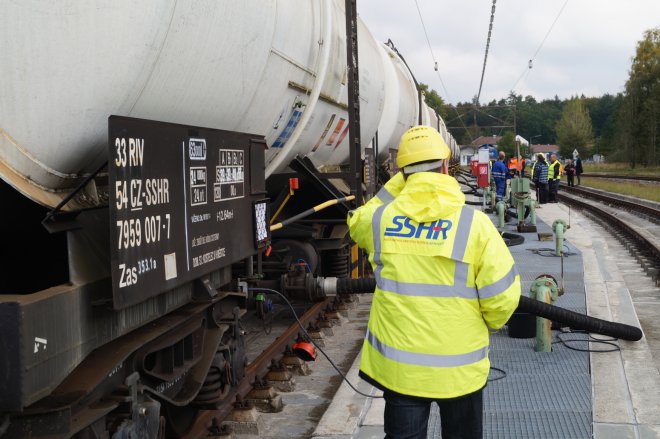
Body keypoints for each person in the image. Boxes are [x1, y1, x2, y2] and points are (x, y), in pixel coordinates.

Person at [347, 126, 521, 439]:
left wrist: (400, 183)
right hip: (461, 369)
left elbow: (356, 219)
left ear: (402, 173)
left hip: (402, 371)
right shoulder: (475, 225)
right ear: (444, 167)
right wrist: (487, 324)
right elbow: (502, 299)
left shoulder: (380, 221)